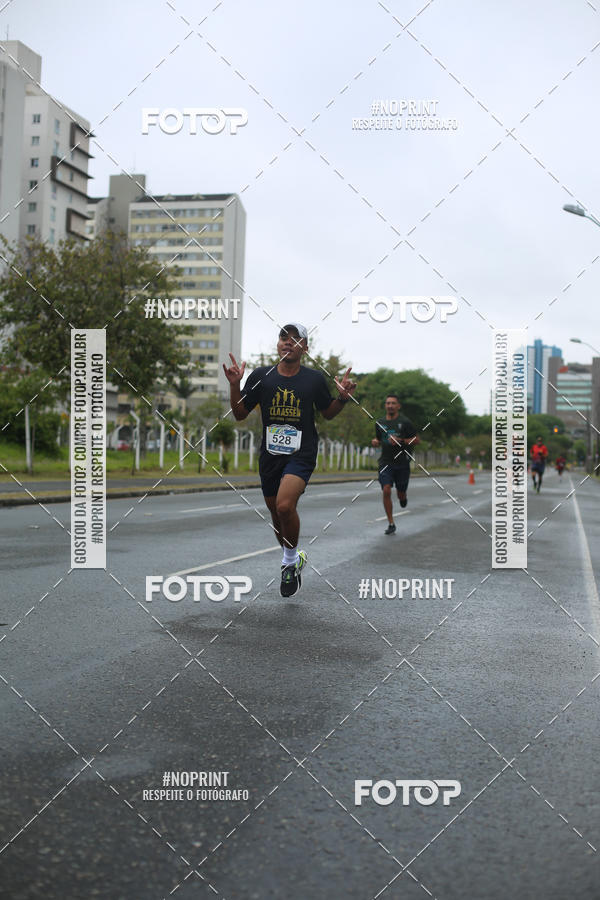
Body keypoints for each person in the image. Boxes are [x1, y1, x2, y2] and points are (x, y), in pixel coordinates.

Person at [223, 323, 357, 597]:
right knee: (276, 514)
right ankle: (294, 559)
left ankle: (287, 563)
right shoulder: (262, 376)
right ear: (278, 344)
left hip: (302, 453)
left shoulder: (314, 380)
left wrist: (342, 399)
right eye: (284, 337)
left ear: (305, 348)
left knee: (285, 506)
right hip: (270, 456)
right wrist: (235, 386)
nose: (288, 342)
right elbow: (239, 414)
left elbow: (328, 412)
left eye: (296, 339)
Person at [372, 394, 419, 535]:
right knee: (386, 489)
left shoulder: (405, 422)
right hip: (386, 462)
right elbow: (379, 439)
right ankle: (391, 523)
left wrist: (401, 441)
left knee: (400, 493)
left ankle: (403, 497)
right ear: (385, 405)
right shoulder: (379, 422)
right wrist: (375, 441)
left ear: (398, 406)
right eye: (388, 403)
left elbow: (416, 440)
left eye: (393, 403)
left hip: (402, 462)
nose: (390, 405)